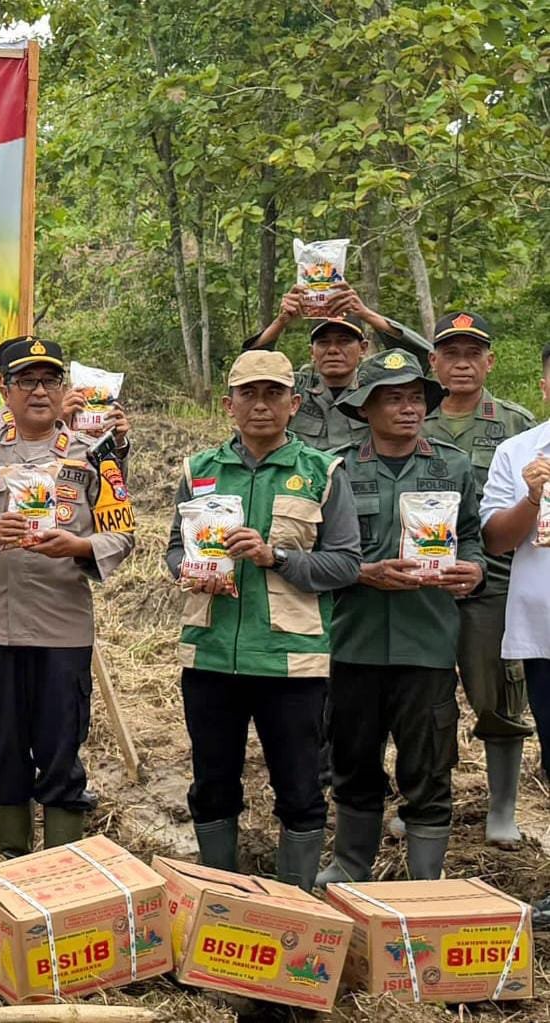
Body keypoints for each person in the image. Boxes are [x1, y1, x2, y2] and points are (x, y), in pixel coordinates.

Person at [164, 351, 361, 890]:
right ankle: (220, 899)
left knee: (298, 790)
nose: (260, 405)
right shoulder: (198, 471)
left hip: (289, 662)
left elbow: (346, 564)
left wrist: (276, 556)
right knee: (212, 784)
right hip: (208, 654)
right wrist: (192, 570)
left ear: (294, 404)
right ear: (228, 405)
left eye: (273, 393)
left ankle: (294, 906)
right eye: (248, 394)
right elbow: (172, 554)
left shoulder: (322, 473)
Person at [0, 338, 135, 858]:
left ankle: (61, 865)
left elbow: (121, 534)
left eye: (50, 381)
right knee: (0, 749)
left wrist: (79, 546)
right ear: (3, 390)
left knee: (60, 750)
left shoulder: (94, 456)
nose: (39, 391)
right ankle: (11, 859)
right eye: (26, 381)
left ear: (64, 390)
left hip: (60, 629)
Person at [316, 350, 483, 885]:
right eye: (393, 398)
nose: (408, 409)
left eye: (415, 398)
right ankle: (350, 866)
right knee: (353, 759)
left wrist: (474, 570)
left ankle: (424, 884)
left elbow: (475, 537)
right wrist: (362, 572)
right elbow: (316, 551)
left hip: (427, 641)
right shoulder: (335, 469)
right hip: (353, 640)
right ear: (365, 407)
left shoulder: (452, 466)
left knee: (429, 766)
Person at [418, 311, 537, 847]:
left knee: (498, 693)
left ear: (490, 362)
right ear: (434, 362)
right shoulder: (412, 418)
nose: (462, 363)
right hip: (423, 587)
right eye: (451, 353)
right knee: (426, 698)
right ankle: (427, 801)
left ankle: (503, 807)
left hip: (497, 583)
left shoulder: (518, 426)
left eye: (473, 354)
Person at [481, 342, 550, 798]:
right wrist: (530, 497)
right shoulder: (518, 452)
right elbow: (495, 540)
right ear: (545, 387)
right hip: (545, 634)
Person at [243, 284, 431, 451]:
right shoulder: (295, 386)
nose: (333, 350)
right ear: (312, 351)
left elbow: (424, 358)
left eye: (344, 342)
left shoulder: (374, 388)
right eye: (324, 343)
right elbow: (249, 368)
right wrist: (281, 321)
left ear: (363, 348)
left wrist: (366, 314)